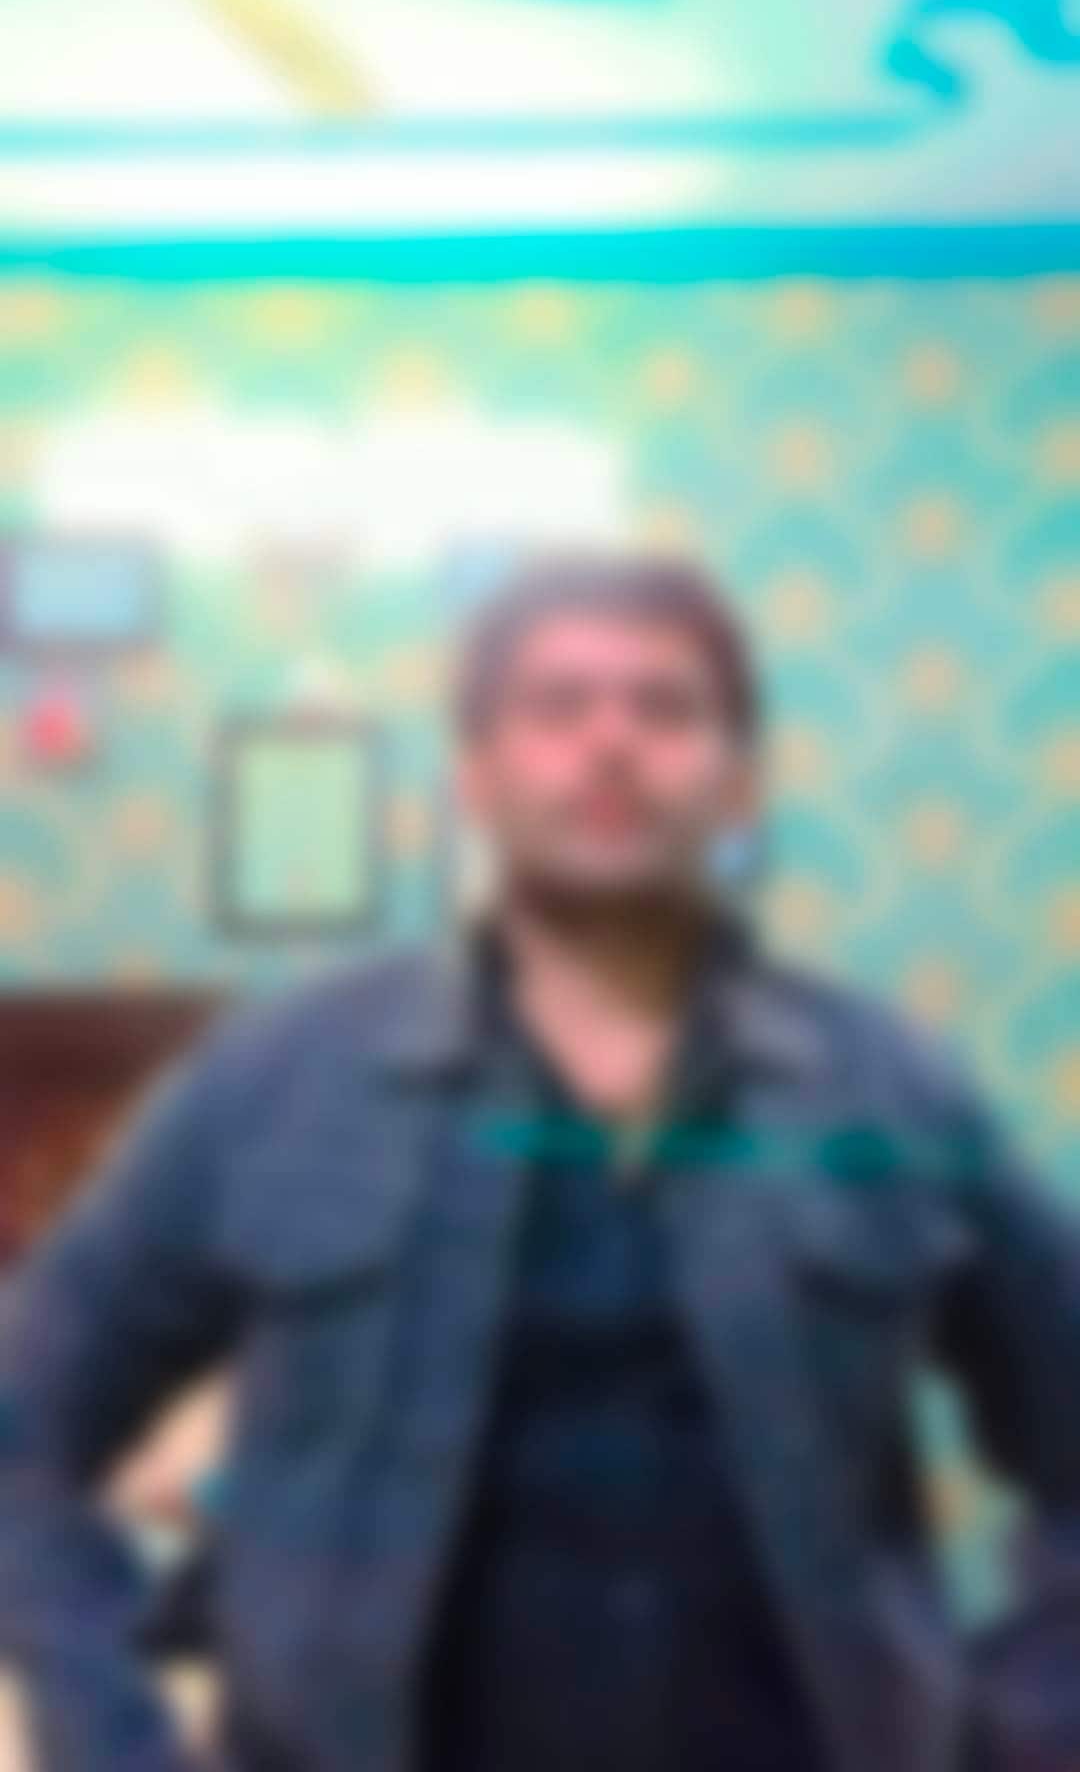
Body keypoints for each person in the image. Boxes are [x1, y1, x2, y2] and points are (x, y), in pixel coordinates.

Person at [2, 547, 1080, 1772]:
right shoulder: (275, 1080)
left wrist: (1023, 1726)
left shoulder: (894, 1089)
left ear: (738, 783)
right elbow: (27, 1426)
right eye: (557, 706)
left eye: (665, 707)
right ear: (476, 777)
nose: (611, 741)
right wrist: (109, 1740)